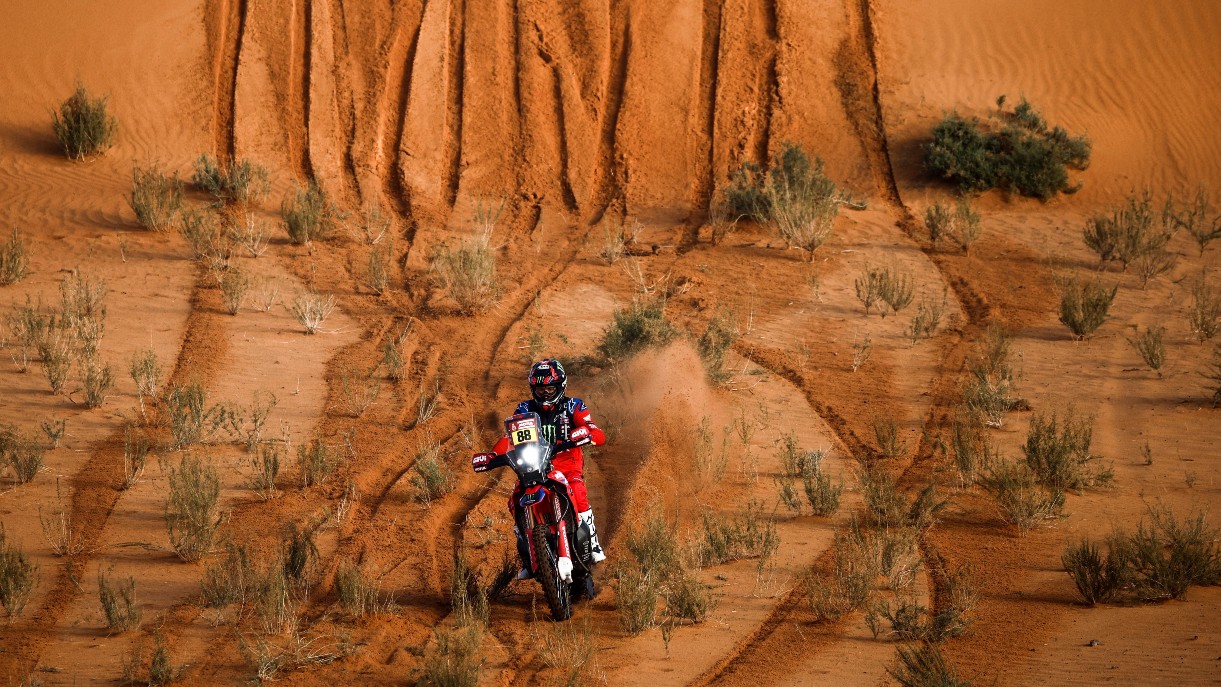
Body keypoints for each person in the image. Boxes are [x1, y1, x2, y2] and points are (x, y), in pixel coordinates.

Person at [475, 359, 607, 579]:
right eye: (540, 389)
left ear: (560, 386)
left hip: (567, 463)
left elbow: (595, 430)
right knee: (516, 499)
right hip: (534, 463)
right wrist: (492, 456)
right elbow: (509, 438)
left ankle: (593, 544)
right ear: (532, 389)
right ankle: (529, 557)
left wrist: (587, 433)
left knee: (578, 490)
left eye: (549, 388)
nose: (545, 393)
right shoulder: (524, 409)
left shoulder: (573, 406)